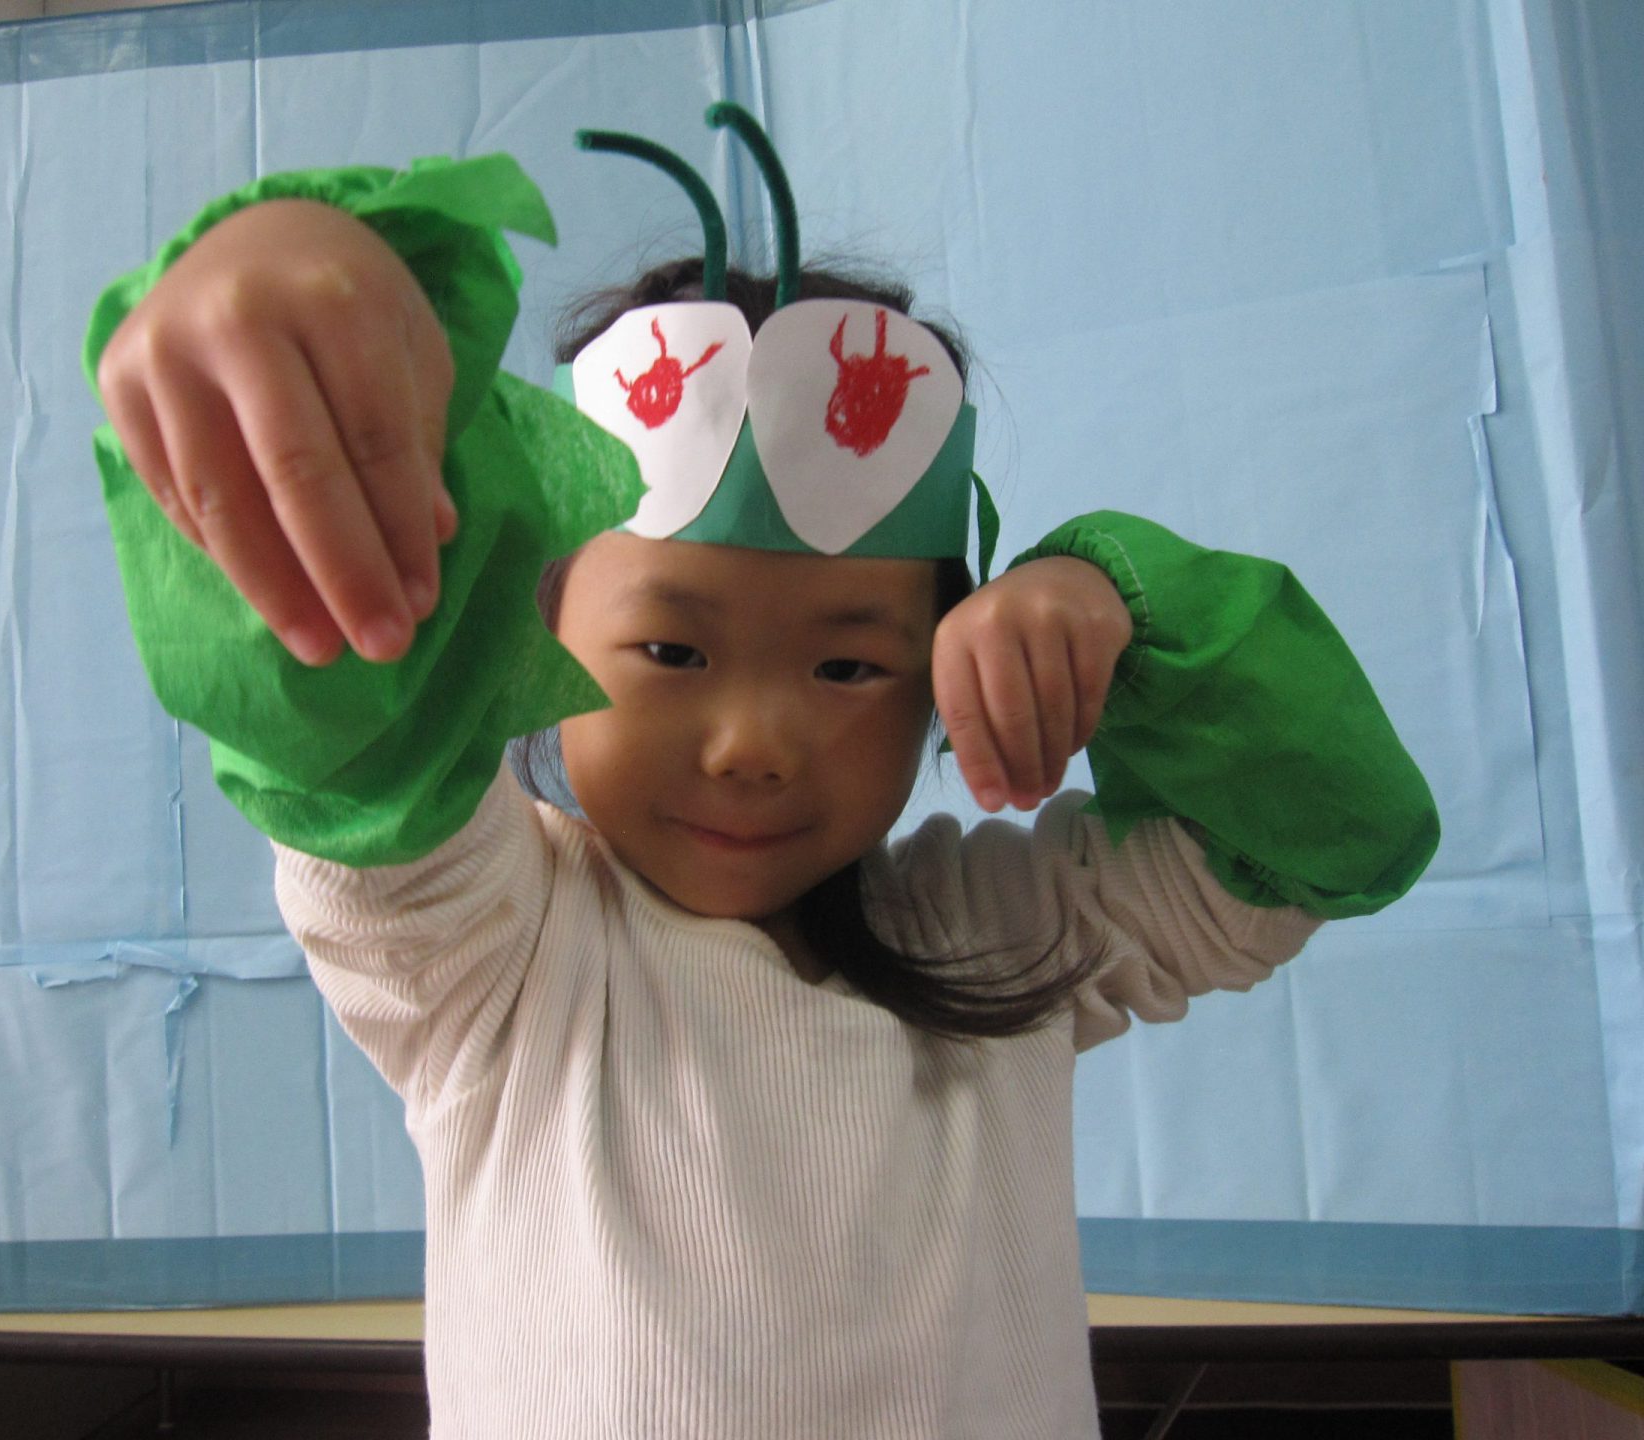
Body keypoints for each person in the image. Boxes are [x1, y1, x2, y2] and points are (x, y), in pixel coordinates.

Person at [86, 108, 1438, 1439]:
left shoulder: (999, 938)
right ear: (529, 635)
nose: (752, 745)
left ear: (941, 670)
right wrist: (282, 285)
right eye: (672, 649)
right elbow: (340, 725)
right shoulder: (489, 948)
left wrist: (1120, 609)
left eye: (848, 666)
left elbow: (1330, 835)